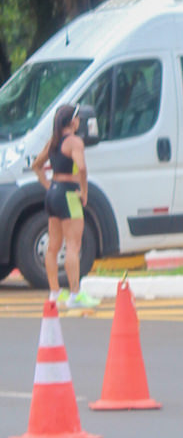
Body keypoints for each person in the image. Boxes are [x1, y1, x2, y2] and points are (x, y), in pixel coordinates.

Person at [30, 103, 100, 309]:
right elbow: (82, 168)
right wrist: (84, 192)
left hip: (53, 193)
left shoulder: (53, 141)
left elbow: (36, 165)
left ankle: (55, 292)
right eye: (78, 118)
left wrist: (49, 186)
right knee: (73, 245)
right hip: (69, 194)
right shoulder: (75, 142)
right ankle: (75, 295)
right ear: (73, 121)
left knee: (53, 246)